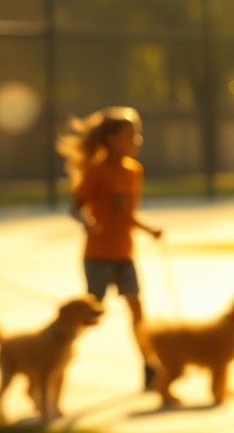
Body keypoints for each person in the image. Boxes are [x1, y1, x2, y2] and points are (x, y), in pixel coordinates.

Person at [57, 106, 163, 390]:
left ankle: (149, 365)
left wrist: (148, 229)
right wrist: (87, 222)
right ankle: (54, 356)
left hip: (124, 252)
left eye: (138, 134)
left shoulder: (134, 172)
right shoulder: (97, 171)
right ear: (113, 139)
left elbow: (126, 213)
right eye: (131, 135)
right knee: (90, 312)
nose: (137, 140)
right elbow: (74, 208)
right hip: (98, 255)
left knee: (137, 309)